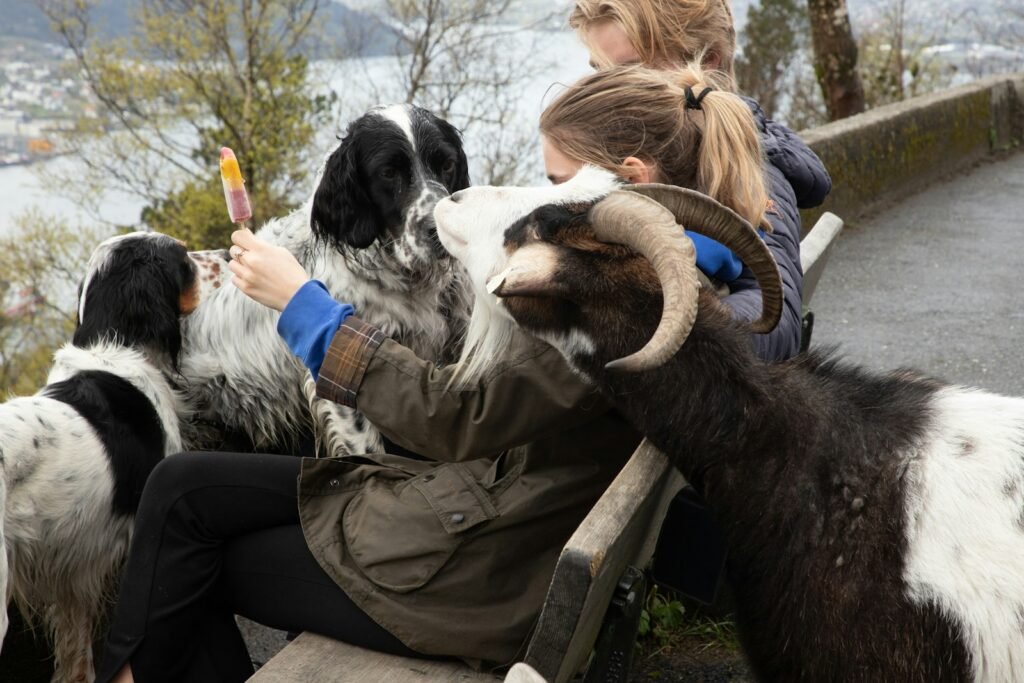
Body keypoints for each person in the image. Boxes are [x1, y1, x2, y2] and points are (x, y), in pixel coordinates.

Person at [96, 62, 775, 683]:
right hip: (484, 512)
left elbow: (458, 417)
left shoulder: (621, 304)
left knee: (189, 558)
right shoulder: (666, 273)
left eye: (557, 182)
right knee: (181, 484)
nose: (537, 199)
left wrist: (304, 307)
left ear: (631, 176)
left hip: (480, 571)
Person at [569, 0, 833, 362]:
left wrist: (664, 325)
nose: (604, 89)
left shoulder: (748, 174)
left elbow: (776, 317)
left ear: (707, 63)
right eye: (599, 71)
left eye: (630, 70)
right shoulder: (631, 160)